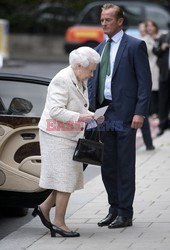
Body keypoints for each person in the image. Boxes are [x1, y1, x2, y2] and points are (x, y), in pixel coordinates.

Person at [88, 3, 152, 228]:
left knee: (125, 165)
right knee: (108, 165)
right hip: (105, 115)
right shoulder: (99, 49)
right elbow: (93, 82)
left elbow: (145, 83)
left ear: (120, 21)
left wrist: (140, 112)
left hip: (126, 114)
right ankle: (113, 208)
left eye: (108, 19)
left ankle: (125, 213)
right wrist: (92, 112)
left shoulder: (135, 46)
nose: (103, 23)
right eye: (102, 19)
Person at [32, 46, 101, 237]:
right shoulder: (62, 79)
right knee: (65, 181)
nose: (92, 74)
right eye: (91, 70)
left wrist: (91, 116)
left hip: (69, 134)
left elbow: (78, 105)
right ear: (79, 66)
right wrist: (81, 117)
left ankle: (43, 208)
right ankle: (59, 223)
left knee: (68, 178)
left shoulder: (78, 77)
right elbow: (55, 111)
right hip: (56, 135)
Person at [153, 22, 170, 136]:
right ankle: (162, 125)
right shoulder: (164, 37)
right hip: (165, 75)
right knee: (163, 101)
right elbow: (156, 51)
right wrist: (162, 48)